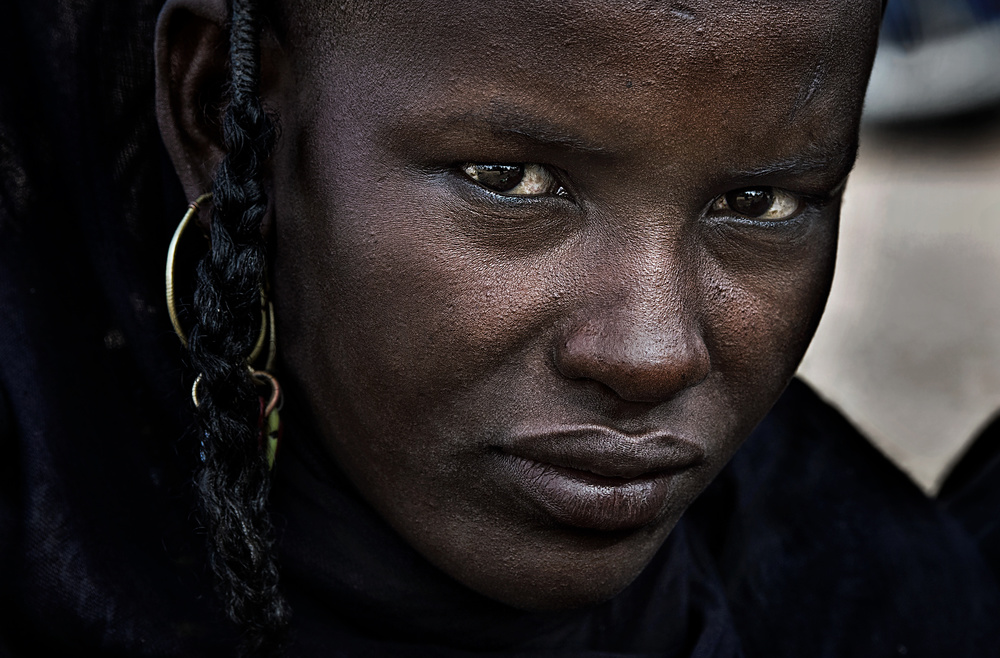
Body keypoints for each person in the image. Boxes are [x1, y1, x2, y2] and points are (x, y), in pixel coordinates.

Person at [1, 0, 998, 656]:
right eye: (513, 183)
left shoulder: (871, 600)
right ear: (223, 113)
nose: (651, 353)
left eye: (759, 202)